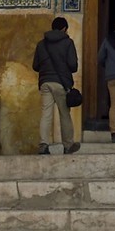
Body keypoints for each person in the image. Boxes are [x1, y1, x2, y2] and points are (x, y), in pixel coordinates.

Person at [33, 15, 81, 156]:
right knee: (64, 114)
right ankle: (68, 145)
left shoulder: (41, 44)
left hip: (45, 82)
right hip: (61, 82)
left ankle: (43, 145)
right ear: (64, 28)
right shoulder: (68, 43)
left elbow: (35, 66)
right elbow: (73, 65)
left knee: (46, 114)